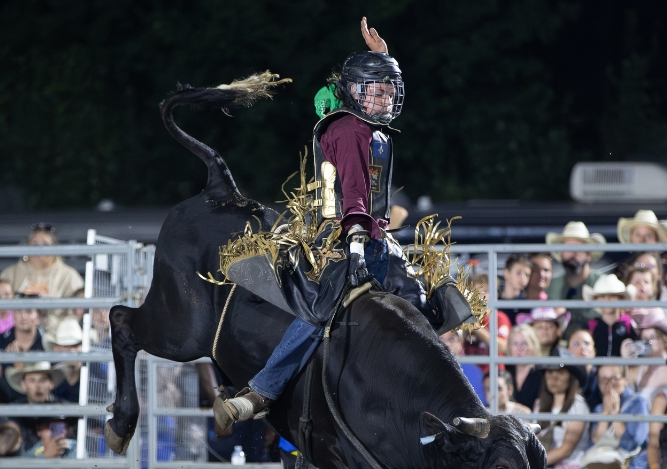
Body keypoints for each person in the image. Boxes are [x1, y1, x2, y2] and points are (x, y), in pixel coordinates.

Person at [219, 23, 472, 423]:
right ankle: (262, 391)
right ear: (355, 91)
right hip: (343, 238)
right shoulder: (350, 130)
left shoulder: (363, 126)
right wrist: (355, 245)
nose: (387, 97)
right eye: (378, 89)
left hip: (371, 237)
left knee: (423, 307)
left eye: (390, 89)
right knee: (326, 307)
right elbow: (354, 191)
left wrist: (385, 55)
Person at [0, 223, 85, 333]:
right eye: (34, 244)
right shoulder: (10, 273)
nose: (39, 249)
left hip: (57, 334)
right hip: (18, 332)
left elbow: (77, 312)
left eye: (45, 244)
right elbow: (0, 307)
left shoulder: (69, 275)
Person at [534, 362, 590, 469]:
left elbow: (566, 450)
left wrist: (534, 464)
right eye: (549, 373)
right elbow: (535, 442)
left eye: (560, 373)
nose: (553, 378)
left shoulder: (578, 406)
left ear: (570, 377)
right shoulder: (540, 406)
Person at [545, 221, 606, 322]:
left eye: (579, 248)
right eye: (568, 248)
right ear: (561, 254)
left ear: (589, 255)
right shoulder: (551, 286)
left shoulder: (603, 283)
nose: (573, 253)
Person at [0, 294, 45, 385]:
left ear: (38, 317)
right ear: (13, 314)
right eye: (18, 310)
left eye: (29, 311)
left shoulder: (48, 342)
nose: (23, 316)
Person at [621, 308, 667, 409]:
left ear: (664, 339)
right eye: (644, 339)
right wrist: (625, 362)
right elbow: (625, 396)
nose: (647, 342)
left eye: (652, 337)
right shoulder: (636, 371)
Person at [583, 274, 637, 358]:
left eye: (612, 296)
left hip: (622, 370)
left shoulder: (629, 324)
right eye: (602, 296)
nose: (607, 300)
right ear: (596, 300)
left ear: (621, 299)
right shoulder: (590, 325)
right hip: (597, 370)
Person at [43, 318, 85, 404]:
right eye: (66, 346)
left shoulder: (93, 375)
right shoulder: (52, 376)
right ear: (57, 348)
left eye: (75, 345)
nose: (71, 351)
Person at [507, 324, 543, 409]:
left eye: (524, 343)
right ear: (510, 348)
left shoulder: (541, 374)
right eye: (515, 344)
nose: (520, 348)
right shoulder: (505, 372)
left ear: (533, 347)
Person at [497, 253, 532, 324]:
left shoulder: (527, 307)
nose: (523, 278)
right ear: (506, 273)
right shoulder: (494, 301)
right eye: (518, 273)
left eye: (527, 275)